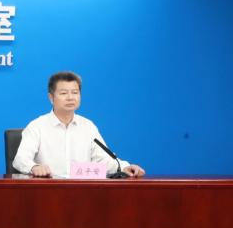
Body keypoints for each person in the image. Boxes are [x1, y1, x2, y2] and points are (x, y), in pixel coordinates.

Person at [13, 71, 146, 178]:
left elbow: (103, 160)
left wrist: (125, 167)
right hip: (48, 192)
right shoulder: (37, 126)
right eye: (64, 93)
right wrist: (34, 167)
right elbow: (20, 159)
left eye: (75, 92)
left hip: (83, 192)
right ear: (51, 97)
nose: (70, 97)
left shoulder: (88, 126)